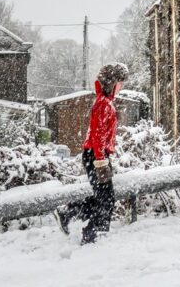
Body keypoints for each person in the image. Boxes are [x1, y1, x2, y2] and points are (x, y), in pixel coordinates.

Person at [54, 63, 128, 244]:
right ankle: (93, 235)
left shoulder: (105, 102)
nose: (121, 87)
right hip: (96, 156)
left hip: (97, 155)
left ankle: (70, 214)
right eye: (120, 83)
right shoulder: (103, 104)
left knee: (103, 198)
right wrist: (101, 161)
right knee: (106, 199)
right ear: (112, 83)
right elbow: (97, 135)